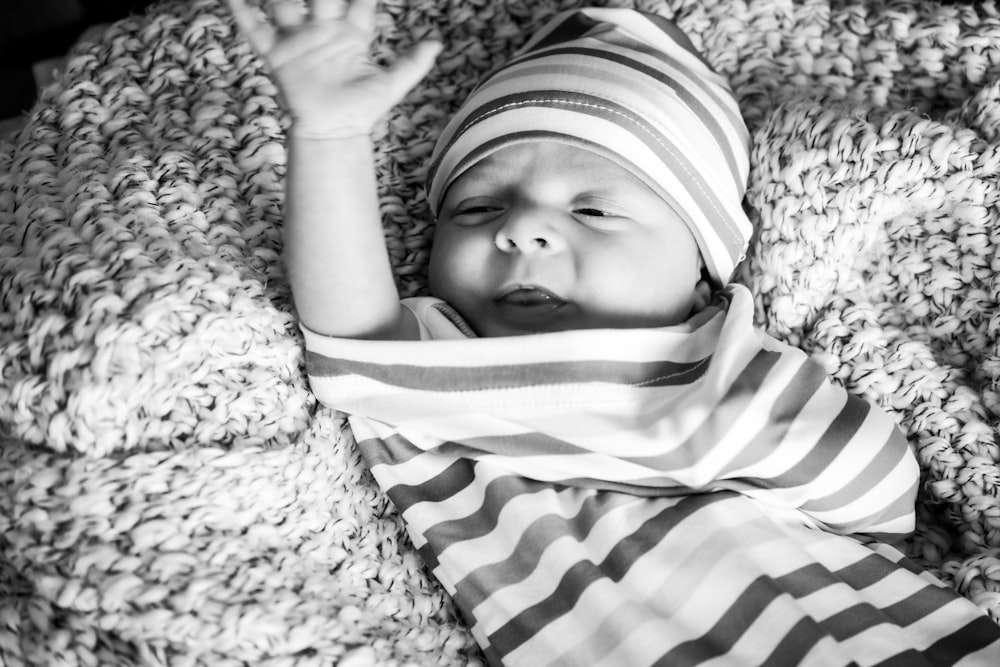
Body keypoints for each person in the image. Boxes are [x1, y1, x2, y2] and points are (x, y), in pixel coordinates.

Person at [229, 0, 1000, 664]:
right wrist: (328, 134)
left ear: (702, 269)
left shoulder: (731, 368)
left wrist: (682, 423)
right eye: (477, 209)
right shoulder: (444, 359)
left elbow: (876, 486)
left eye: (593, 209)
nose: (523, 228)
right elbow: (349, 331)